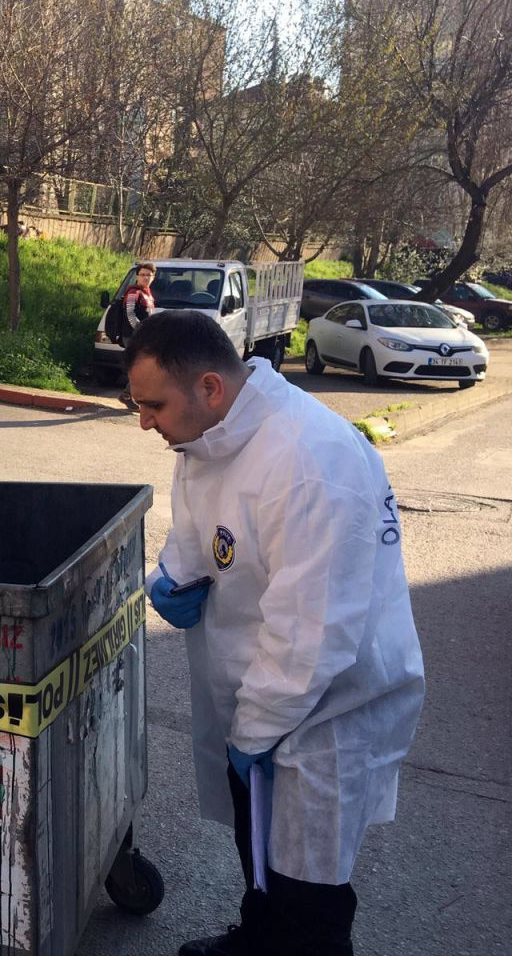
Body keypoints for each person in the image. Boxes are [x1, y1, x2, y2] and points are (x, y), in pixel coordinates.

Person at [123, 311, 425, 956]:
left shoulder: (309, 460)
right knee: (258, 848)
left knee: (307, 880)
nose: (143, 421)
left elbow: (313, 632)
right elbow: (203, 525)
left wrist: (256, 725)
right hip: (259, 687)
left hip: (326, 707)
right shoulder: (210, 432)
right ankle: (255, 938)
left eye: (152, 405)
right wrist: (176, 573)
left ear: (208, 385)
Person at [114, 261, 157, 403]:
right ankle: (127, 395)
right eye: (142, 274)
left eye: (148, 275)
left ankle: (128, 395)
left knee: (145, 367)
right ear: (137, 276)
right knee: (143, 367)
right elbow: (130, 314)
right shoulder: (134, 292)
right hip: (133, 336)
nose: (145, 277)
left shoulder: (148, 294)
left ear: (153, 277)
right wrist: (140, 330)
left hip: (144, 336)